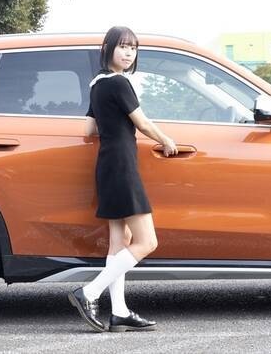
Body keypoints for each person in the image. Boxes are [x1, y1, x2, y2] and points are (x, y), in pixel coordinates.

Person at [68, 26, 178, 333]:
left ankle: (119, 312)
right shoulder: (119, 82)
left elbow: (89, 129)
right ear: (108, 48)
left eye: (133, 48)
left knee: (120, 242)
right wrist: (166, 140)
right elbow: (142, 123)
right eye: (123, 47)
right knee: (147, 241)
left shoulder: (97, 84)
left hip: (107, 165)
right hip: (122, 167)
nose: (129, 53)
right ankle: (89, 292)